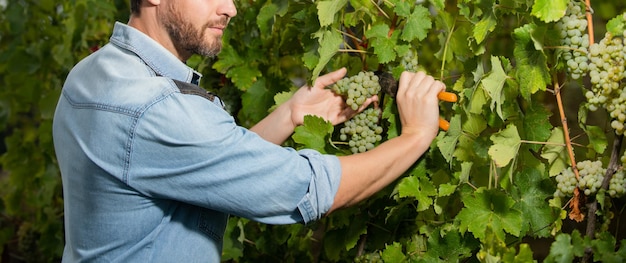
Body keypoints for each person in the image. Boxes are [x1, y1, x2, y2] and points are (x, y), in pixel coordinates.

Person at [52, 0, 445, 261]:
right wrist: (416, 135)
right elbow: (309, 188)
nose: (232, 8)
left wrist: (290, 115)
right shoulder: (158, 108)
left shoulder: (95, 73)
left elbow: (196, 165)